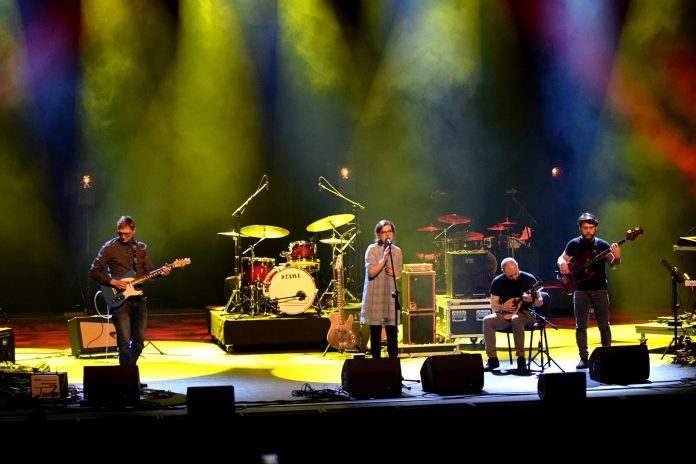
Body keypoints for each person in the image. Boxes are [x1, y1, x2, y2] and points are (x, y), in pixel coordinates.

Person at [89, 215, 171, 367]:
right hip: (119, 301)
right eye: (120, 233)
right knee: (124, 343)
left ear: (134, 231)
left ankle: (128, 371)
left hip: (138, 300)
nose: (123, 237)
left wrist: (162, 273)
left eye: (126, 234)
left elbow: (149, 273)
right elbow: (94, 271)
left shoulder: (141, 248)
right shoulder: (109, 248)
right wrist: (112, 281)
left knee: (139, 342)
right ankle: (127, 375)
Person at [557, 212, 621, 369]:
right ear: (580, 228)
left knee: (604, 325)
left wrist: (617, 257)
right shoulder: (573, 244)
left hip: (600, 289)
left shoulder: (602, 245)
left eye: (591, 228)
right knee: (581, 326)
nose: (588, 231)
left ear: (595, 228)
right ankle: (583, 357)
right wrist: (561, 264)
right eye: (585, 228)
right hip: (580, 289)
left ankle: (606, 355)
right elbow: (562, 258)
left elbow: (613, 265)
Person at [483, 257, 544, 372]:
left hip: (526, 314)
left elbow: (539, 302)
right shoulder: (498, 281)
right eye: (511, 276)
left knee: (516, 319)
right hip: (506, 314)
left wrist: (531, 299)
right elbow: (494, 304)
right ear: (503, 271)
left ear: (517, 266)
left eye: (516, 273)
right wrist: (503, 307)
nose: (515, 277)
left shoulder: (529, 279)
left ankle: (521, 359)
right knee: (487, 320)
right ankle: (492, 359)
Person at [360, 219, 403, 358]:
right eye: (384, 232)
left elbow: (399, 272)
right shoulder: (371, 249)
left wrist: (396, 273)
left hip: (390, 294)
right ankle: (376, 364)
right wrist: (384, 259)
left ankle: (393, 364)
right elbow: (371, 273)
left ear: (393, 234)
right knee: (376, 332)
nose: (387, 234)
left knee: (392, 332)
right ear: (378, 235)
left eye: (389, 231)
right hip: (375, 293)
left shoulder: (397, 251)